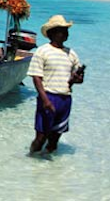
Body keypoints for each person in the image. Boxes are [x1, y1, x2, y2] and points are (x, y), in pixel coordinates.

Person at [28, 15, 84, 154]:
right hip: (48, 96)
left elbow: (79, 78)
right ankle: (31, 158)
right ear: (52, 33)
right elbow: (36, 77)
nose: (66, 33)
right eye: (62, 30)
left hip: (65, 99)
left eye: (66, 30)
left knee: (54, 140)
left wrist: (77, 78)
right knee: (41, 137)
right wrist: (45, 100)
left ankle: (49, 169)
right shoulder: (42, 51)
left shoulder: (71, 54)